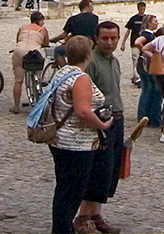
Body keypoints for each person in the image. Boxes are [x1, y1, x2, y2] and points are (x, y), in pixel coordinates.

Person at [38, 36, 109, 234]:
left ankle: (61, 228)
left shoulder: (62, 73)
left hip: (59, 140)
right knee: (71, 192)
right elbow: (83, 111)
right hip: (77, 144)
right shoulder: (80, 78)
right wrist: (102, 124)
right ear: (88, 54)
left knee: (64, 189)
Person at [77, 22, 125, 234]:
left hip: (117, 119)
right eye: (105, 38)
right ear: (96, 38)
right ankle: (83, 217)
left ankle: (96, 214)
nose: (109, 42)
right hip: (100, 121)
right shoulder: (92, 62)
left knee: (110, 171)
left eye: (113, 38)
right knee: (97, 170)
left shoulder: (114, 61)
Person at [12, 11, 51, 110]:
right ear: (40, 20)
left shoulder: (22, 27)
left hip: (19, 50)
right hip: (33, 52)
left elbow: (18, 39)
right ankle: (37, 93)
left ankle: (16, 106)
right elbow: (46, 42)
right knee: (36, 74)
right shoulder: (42, 29)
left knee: (18, 81)